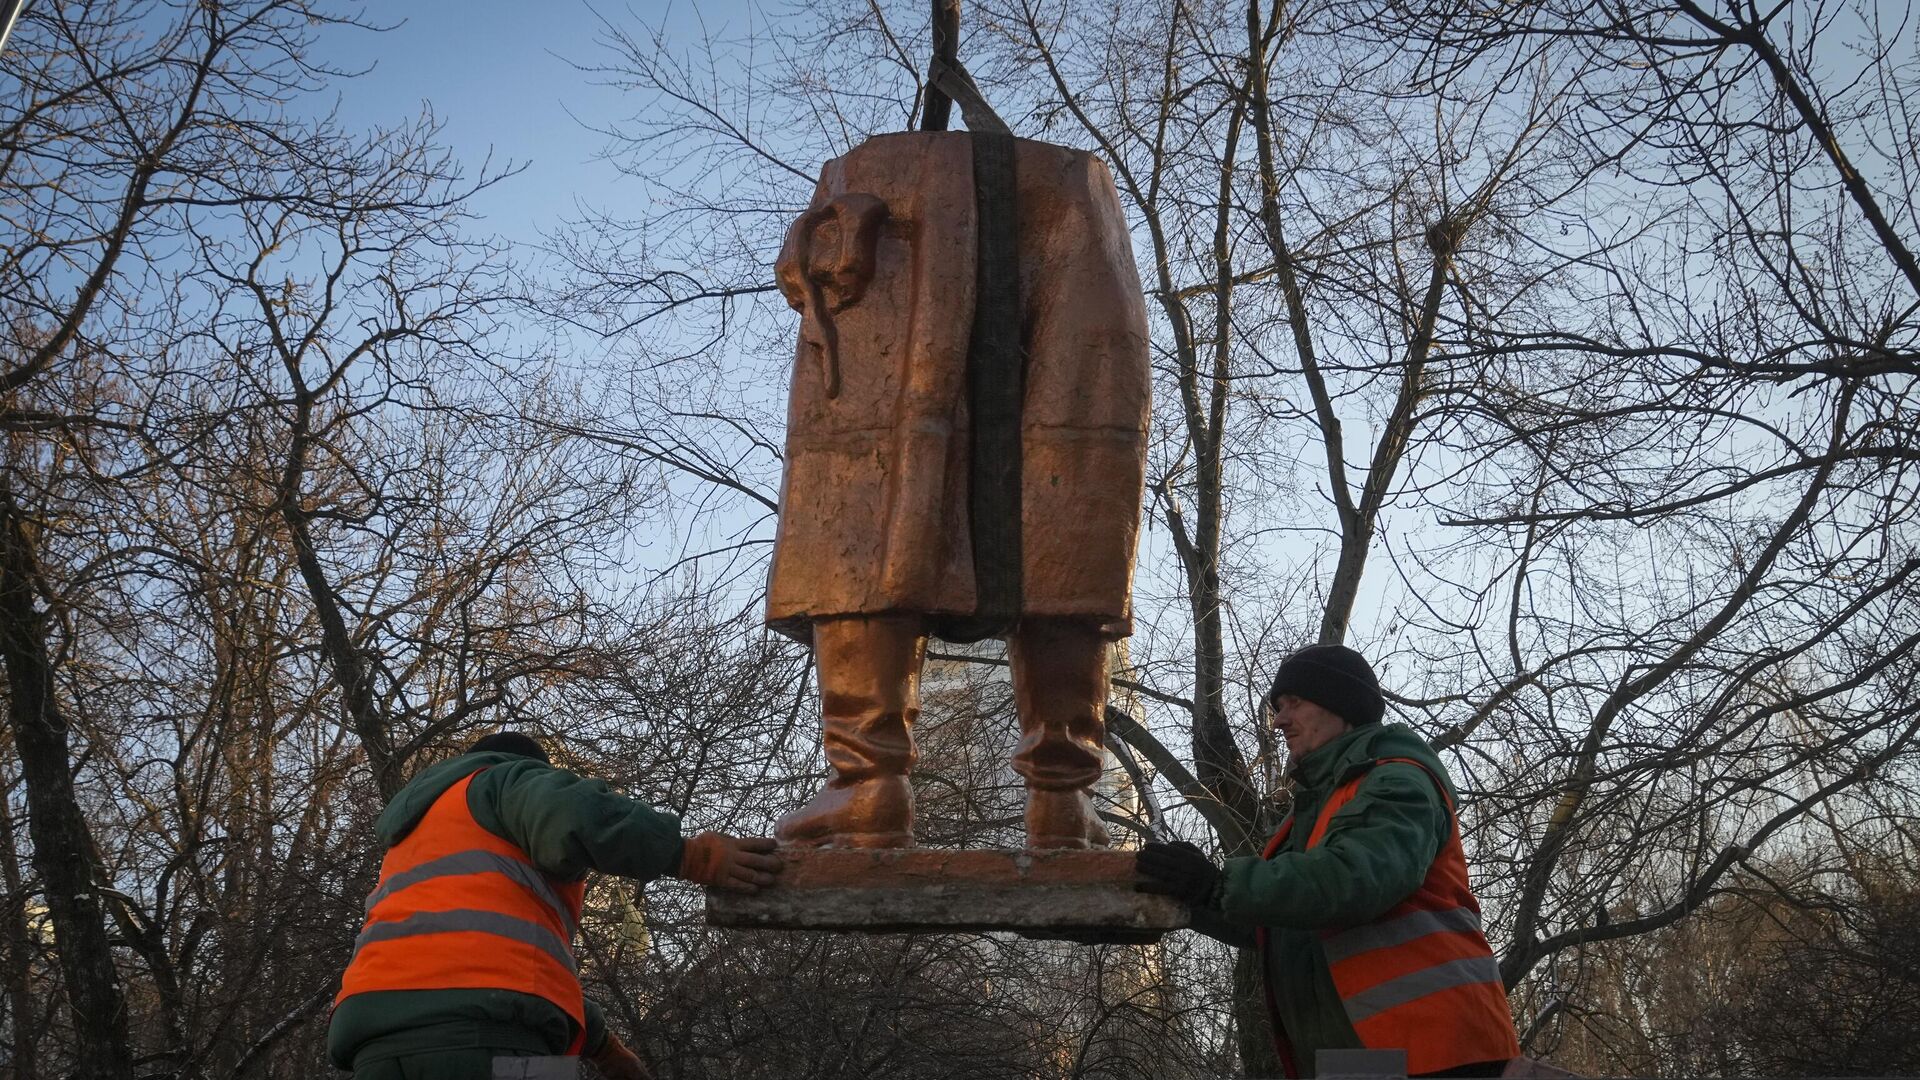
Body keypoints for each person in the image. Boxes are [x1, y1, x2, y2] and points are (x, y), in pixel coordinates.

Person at [1135, 645, 1521, 1078]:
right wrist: (1195, 894)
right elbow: (1279, 926)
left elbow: (1351, 880)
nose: (1279, 720)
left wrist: (1222, 884)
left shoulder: (1398, 778)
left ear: (1342, 705)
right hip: (1362, 1059)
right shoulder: (1311, 812)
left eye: (1294, 702)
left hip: (1439, 1051)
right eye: (1278, 707)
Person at [330, 731, 783, 1079]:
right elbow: (574, 813)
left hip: (376, 1045)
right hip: (493, 1041)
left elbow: (494, 960)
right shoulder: (499, 782)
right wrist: (690, 856)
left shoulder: (415, 838)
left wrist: (602, 1046)